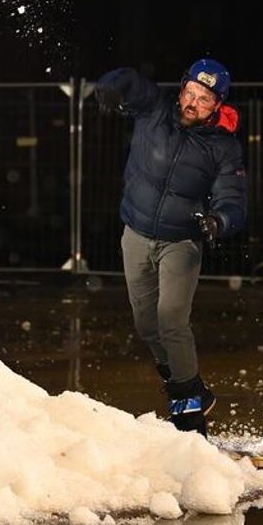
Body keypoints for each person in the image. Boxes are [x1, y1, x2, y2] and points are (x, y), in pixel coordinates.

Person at [92, 59, 246, 436]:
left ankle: (190, 419)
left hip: (181, 241)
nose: (192, 102)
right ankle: (190, 387)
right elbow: (129, 79)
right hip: (136, 232)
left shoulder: (223, 148)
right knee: (147, 324)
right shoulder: (156, 111)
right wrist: (111, 87)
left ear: (218, 105)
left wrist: (219, 221)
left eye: (204, 98)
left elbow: (233, 198)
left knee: (171, 320)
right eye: (190, 92)